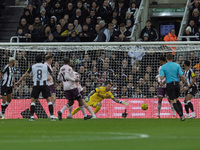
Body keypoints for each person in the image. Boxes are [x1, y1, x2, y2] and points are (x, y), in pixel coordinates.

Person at [15, 55, 56, 121]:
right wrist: (54, 82)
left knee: (33, 100)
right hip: (44, 85)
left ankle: (32, 117)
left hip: (36, 85)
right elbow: (52, 75)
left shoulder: (32, 66)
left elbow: (25, 75)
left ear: (35, 60)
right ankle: (52, 116)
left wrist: (18, 82)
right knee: (49, 100)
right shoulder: (45, 66)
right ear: (42, 60)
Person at [160, 53, 188, 121]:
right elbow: (182, 75)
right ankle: (182, 115)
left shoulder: (163, 67)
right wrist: (185, 82)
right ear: (172, 58)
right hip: (177, 84)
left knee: (173, 101)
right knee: (177, 99)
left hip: (170, 84)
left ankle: (181, 116)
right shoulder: (177, 65)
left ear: (166, 59)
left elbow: (161, 77)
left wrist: (162, 79)